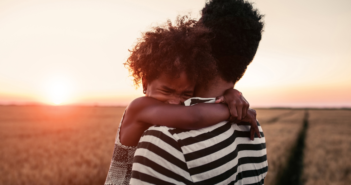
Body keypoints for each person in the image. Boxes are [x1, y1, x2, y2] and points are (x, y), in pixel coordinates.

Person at [104, 16, 260, 185]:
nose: (176, 101)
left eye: (186, 94)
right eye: (167, 90)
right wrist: (233, 110)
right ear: (145, 82)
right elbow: (195, 116)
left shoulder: (169, 111)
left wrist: (230, 94)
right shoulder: (139, 107)